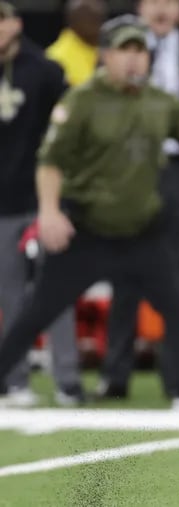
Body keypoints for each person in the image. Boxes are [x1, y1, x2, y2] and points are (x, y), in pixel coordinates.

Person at [0, 14, 179, 414]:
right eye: (125, 50)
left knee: (177, 304)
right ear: (105, 55)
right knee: (38, 310)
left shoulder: (161, 103)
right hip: (86, 229)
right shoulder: (81, 101)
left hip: (142, 232)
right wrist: (50, 211)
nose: (133, 59)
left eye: (140, 50)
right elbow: (50, 161)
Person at [98, 0, 179, 399]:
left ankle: (178, 378)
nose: (162, 10)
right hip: (132, 173)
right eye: (154, 2)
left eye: (169, 3)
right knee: (124, 275)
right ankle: (115, 376)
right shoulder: (119, 47)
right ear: (140, 8)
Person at [0, 0, 83, 407]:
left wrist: (61, 198)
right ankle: (14, 381)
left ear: (16, 24)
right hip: (2, 205)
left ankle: (68, 381)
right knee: (10, 296)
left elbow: (68, 134)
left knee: (55, 293)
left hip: (44, 200)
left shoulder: (46, 70)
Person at [46, 0, 106, 87]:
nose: (94, 22)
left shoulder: (109, 50)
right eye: (86, 16)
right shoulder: (56, 57)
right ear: (71, 19)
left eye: (98, 18)